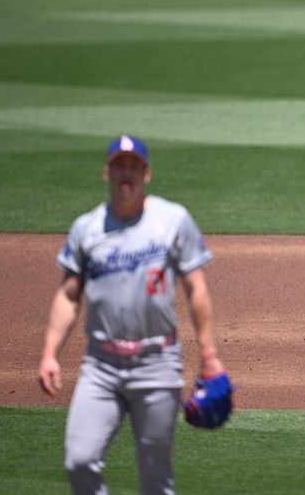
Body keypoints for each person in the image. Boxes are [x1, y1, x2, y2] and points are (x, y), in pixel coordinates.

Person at [38, 135, 227, 494]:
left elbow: (196, 289)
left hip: (157, 363)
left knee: (156, 479)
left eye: (134, 166)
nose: (127, 173)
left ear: (147, 174)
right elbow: (68, 295)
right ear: (107, 172)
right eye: (120, 165)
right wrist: (50, 353)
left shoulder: (173, 220)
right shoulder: (87, 228)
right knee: (79, 461)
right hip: (101, 366)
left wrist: (209, 355)